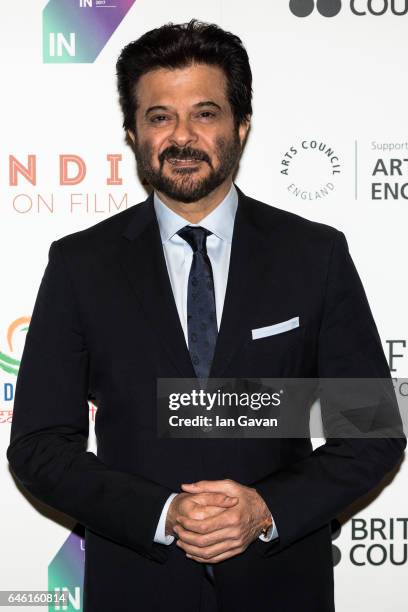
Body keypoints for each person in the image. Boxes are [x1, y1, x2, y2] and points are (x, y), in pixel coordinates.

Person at [6, 18, 406, 612]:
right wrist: (161, 513)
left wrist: (266, 509)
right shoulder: (79, 265)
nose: (182, 137)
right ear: (133, 133)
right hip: (139, 587)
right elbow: (39, 444)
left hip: (281, 587)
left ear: (242, 127)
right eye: (159, 116)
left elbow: (371, 433)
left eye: (205, 113)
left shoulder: (313, 254)